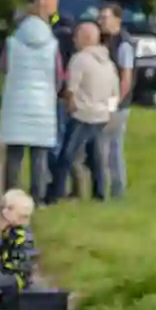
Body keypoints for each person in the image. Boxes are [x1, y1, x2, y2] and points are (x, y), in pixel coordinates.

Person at [0, 0, 61, 200]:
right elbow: (59, 75)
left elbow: (3, 68)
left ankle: (11, 195)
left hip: (16, 101)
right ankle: (38, 196)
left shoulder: (12, 41)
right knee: (39, 154)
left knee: (14, 154)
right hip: (42, 104)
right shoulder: (52, 44)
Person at [52, 21, 118, 202]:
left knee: (66, 155)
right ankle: (100, 194)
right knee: (96, 158)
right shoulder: (109, 63)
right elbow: (115, 92)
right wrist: (109, 113)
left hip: (82, 115)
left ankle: (56, 193)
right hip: (101, 116)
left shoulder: (80, 59)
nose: (73, 40)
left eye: (76, 36)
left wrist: (69, 107)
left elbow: (71, 89)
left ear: (84, 38)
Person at [98, 4, 135, 197]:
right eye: (101, 18)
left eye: (105, 17)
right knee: (107, 147)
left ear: (117, 20)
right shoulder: (106, 40)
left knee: (111, 148)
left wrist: (116, 102)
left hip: (116, 106)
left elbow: (126, 77)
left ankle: (115, 190)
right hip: (106, 102)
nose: (101, 21)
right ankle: (109, 190)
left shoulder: (124, 44)